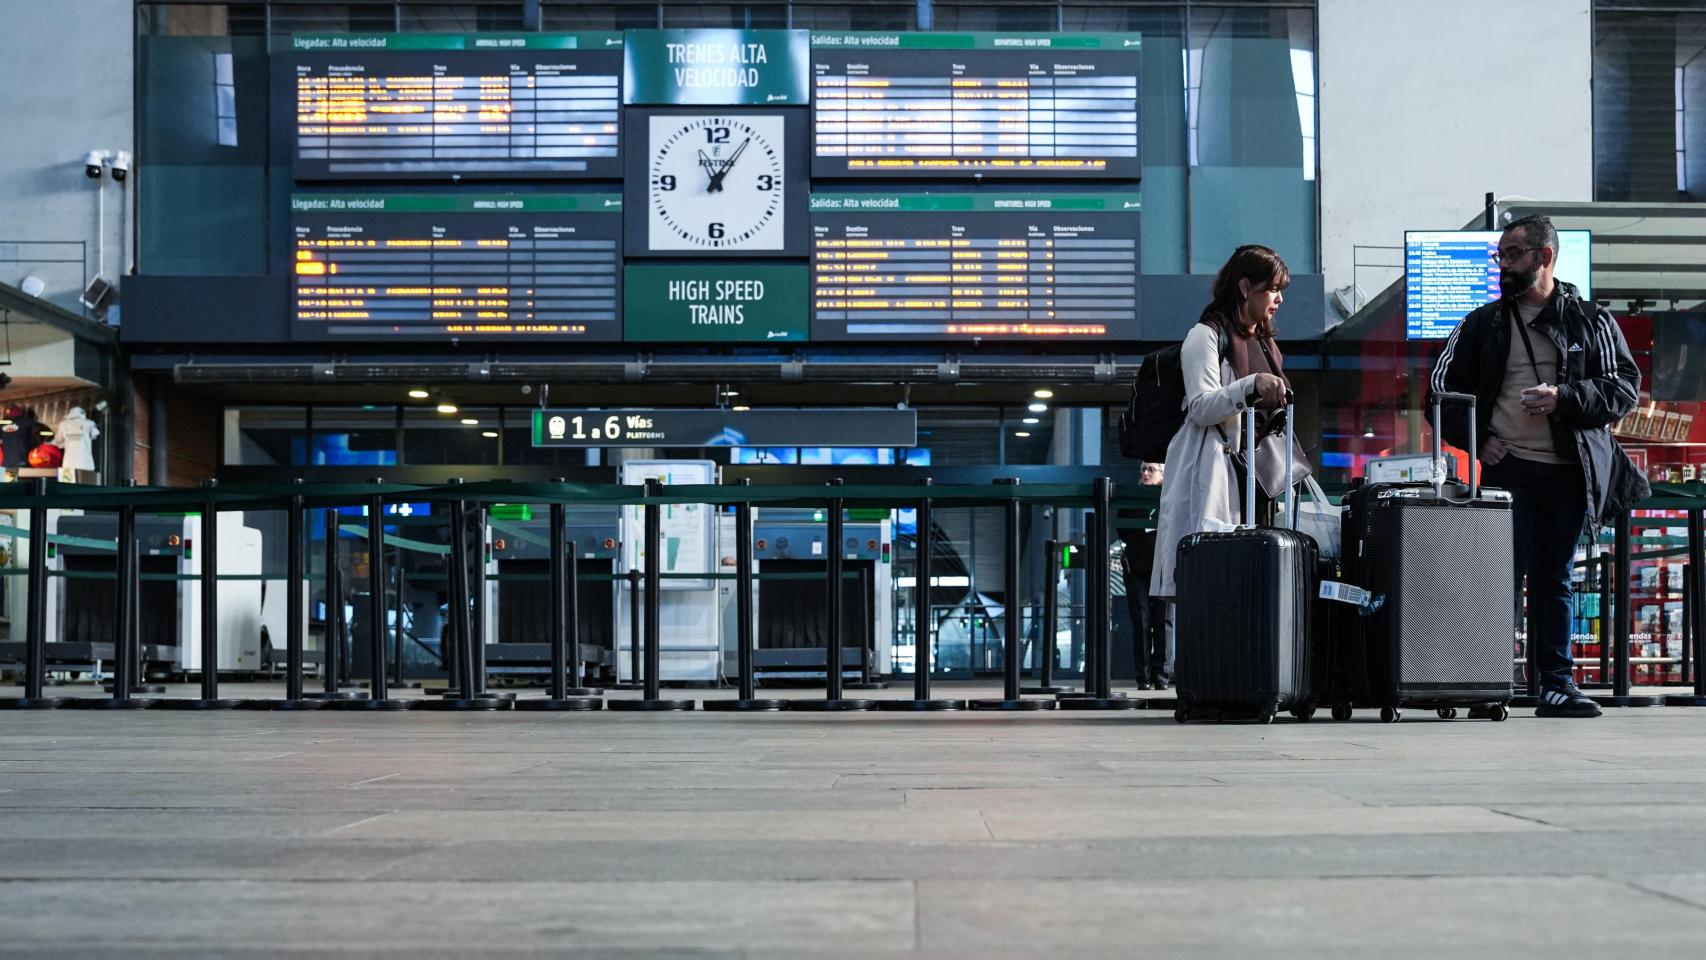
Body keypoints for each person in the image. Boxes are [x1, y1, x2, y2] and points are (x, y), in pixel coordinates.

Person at [1430, 214, 1646, 719]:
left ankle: (1556, 683)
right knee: (1497, 576)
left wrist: (1564, 396)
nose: (1502, 264)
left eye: (1513, 254)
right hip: (1510, 471)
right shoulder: (1483, 323)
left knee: (1556, 577)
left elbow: (1624, 388)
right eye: (1499, 255)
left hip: (1572, 472)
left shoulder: (1591, 320)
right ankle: (1488, 677)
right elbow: (1439, 393)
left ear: (1544, 257)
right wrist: (1478, 441)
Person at [1151, 245, 1292, 602]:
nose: (1278, 299)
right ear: (1246, 287)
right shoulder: (1206, 335)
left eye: (1281, 291)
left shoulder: (1266, 344)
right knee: (1213, 591)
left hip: (1257, 481)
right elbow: (1200, 407)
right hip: (1217, 471)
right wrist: (1251, 385)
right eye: (1272, 289)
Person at [1120, 462, 1174, 688]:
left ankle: (1161, 675)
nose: (1145, 473)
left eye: (1151, 469)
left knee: (1163, 623)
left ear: (1162, 473)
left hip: (1163, 569)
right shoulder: (1132, 499)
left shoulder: (1169, 497)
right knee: (1141, 623)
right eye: (1142, 469)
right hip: (1137, 570)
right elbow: (1122, 530)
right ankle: (1143, 677)